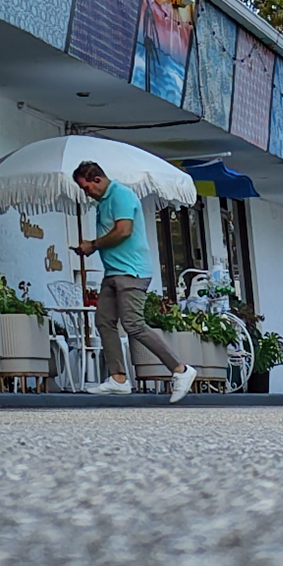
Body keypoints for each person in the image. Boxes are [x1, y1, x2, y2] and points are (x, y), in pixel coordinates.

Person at [74, 160, 193, 400]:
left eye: (87, 188)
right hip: (114, 272)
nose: (87, 194)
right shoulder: (104, 201)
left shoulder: (120, 195)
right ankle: (118, 379)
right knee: (104, 321)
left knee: (133, 324)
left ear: (97, 180)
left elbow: (124, 230)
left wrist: (93, 245)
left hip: (132, 272)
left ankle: (181, 370)